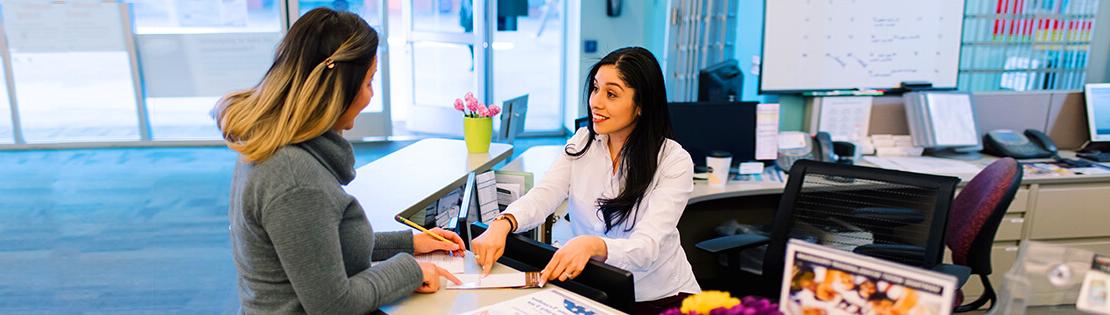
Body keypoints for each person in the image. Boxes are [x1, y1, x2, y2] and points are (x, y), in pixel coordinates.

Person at [215, 8, 462, 314]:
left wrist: (409, 243)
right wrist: (409, 269)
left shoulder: (271, 145)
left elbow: (318, 247)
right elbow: (334, 305)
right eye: (370, 82)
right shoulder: (296, 180)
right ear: (339, 88)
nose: (370, 96)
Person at [470, 46, 700, 314]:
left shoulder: (673, 160)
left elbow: (646, 248)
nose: (595, 102)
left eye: (611, 94)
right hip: (599, 288)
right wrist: (503, 223)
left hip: (660, 297)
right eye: (595, 88)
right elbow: (545, 194)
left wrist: (591, 245)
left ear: (641, 106)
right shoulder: (583, 142)